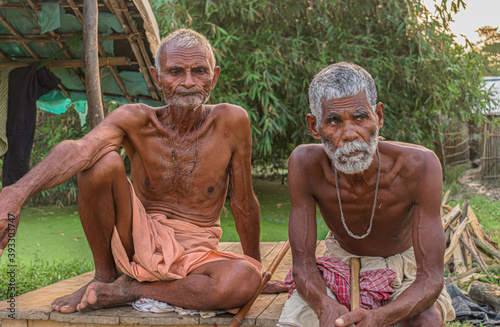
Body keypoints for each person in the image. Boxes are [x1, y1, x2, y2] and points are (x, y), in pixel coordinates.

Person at [0, 29, 265, 313]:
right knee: (101, 163)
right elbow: (79, 149)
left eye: (199, 71)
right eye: (176, 71)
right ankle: (105, 276)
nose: (188, 82)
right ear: (157, 76)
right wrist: (16, 192)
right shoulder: (136, 119)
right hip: (136, 240)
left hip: (197, 250)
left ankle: (127, 289)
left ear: (214, 76)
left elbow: (244, 204)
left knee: (243, 279)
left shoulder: (232, 121)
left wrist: (257, 268)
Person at [278, 62, 455, 327]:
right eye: (334, 121)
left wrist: (377, 318)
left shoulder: (420, 166)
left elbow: (430, 277)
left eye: (360, 117)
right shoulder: (304, 164)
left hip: (405, 269)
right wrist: (326, 307)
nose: (350, 134)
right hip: (341, 261)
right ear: (315, 126)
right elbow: (302, 265)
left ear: (379, 116)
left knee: (428, 322)